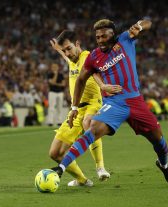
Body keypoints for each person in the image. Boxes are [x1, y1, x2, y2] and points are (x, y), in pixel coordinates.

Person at [52, 18, 168, 186]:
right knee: (92, 130)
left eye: (104, 36)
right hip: (114, 103)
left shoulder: (125, 39)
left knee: (159, 141)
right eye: (98, 37)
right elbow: (81, 80)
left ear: (113, 34)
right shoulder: (94, 56)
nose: (101, 40)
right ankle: (61, 168)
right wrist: (74, 106)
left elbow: (148, 22)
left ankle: (164, 164)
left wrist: (139, 25)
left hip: (135, 100)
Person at [48, 30, 120, 186]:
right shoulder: (70, 59)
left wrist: (103, 85)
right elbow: (65, 56)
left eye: (69, 48)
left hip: (93, 103)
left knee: (89, 123)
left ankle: (100, 167)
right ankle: (82, 180)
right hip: (76, 109)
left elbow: (94, 69)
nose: (67, 53)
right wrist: (59, 50)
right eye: (64, 50)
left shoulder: (87, 56)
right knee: (55, 153)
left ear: (77, 44)